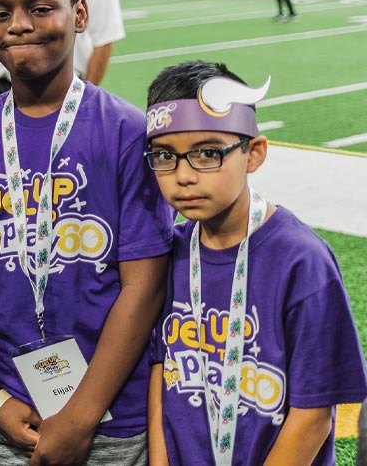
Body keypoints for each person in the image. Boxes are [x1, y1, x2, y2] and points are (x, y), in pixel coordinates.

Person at [0, 0, 174, 465]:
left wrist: (81, 414)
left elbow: (144, 284)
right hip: (10, 408)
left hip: (111, 414)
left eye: (41, 7)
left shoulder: (126, 131)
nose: (18, 24)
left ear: (80, 14)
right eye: (0, 12)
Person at [144, 60, 367, 465]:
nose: (184, 176)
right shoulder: (170, 252)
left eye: (208, 153)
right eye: (164, 156)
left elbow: (314, 415)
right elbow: (162, 370)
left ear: (254, 153)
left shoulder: (302, 262)